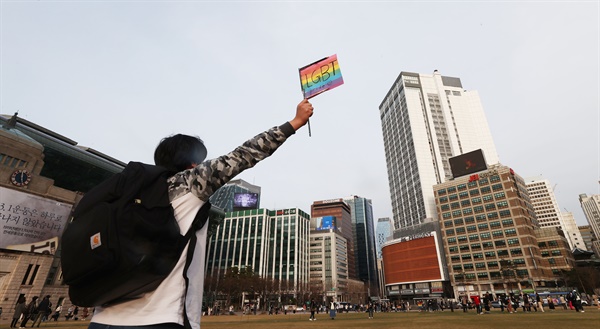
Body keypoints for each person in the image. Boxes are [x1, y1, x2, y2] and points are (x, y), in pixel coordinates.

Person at [88, 99, 314, 329]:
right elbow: (245, 154)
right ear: (192, 163)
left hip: (102, 318)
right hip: (158, 318)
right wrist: (295, 122)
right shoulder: (189, 184)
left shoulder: (126, 193)